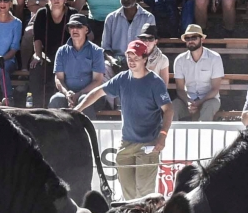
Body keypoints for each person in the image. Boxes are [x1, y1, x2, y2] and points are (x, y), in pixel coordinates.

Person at [75, 39, 173, 199]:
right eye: (129, 58)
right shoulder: (121, 78)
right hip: (126, 143)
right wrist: (76, 110)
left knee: (145, 195)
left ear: (145, 58)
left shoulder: (155, 82)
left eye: (135, 58)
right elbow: (97, 92)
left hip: (148, 144)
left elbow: (169, 109)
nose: (131, 62)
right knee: (128, 195)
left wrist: (163, 135)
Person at [171, 23, 227, 120]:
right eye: (187, 38)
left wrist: (198, 103)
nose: (190, 41)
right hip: (188, 100)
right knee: (172, 107)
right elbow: (180, 89)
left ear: (202, 39)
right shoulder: (179, 60)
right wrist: (188, 102)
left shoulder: (215, 58)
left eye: (194, 37)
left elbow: (215, 89)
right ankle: (171, 135)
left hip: (209, 99)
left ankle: (203, 135)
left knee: (208, 109)